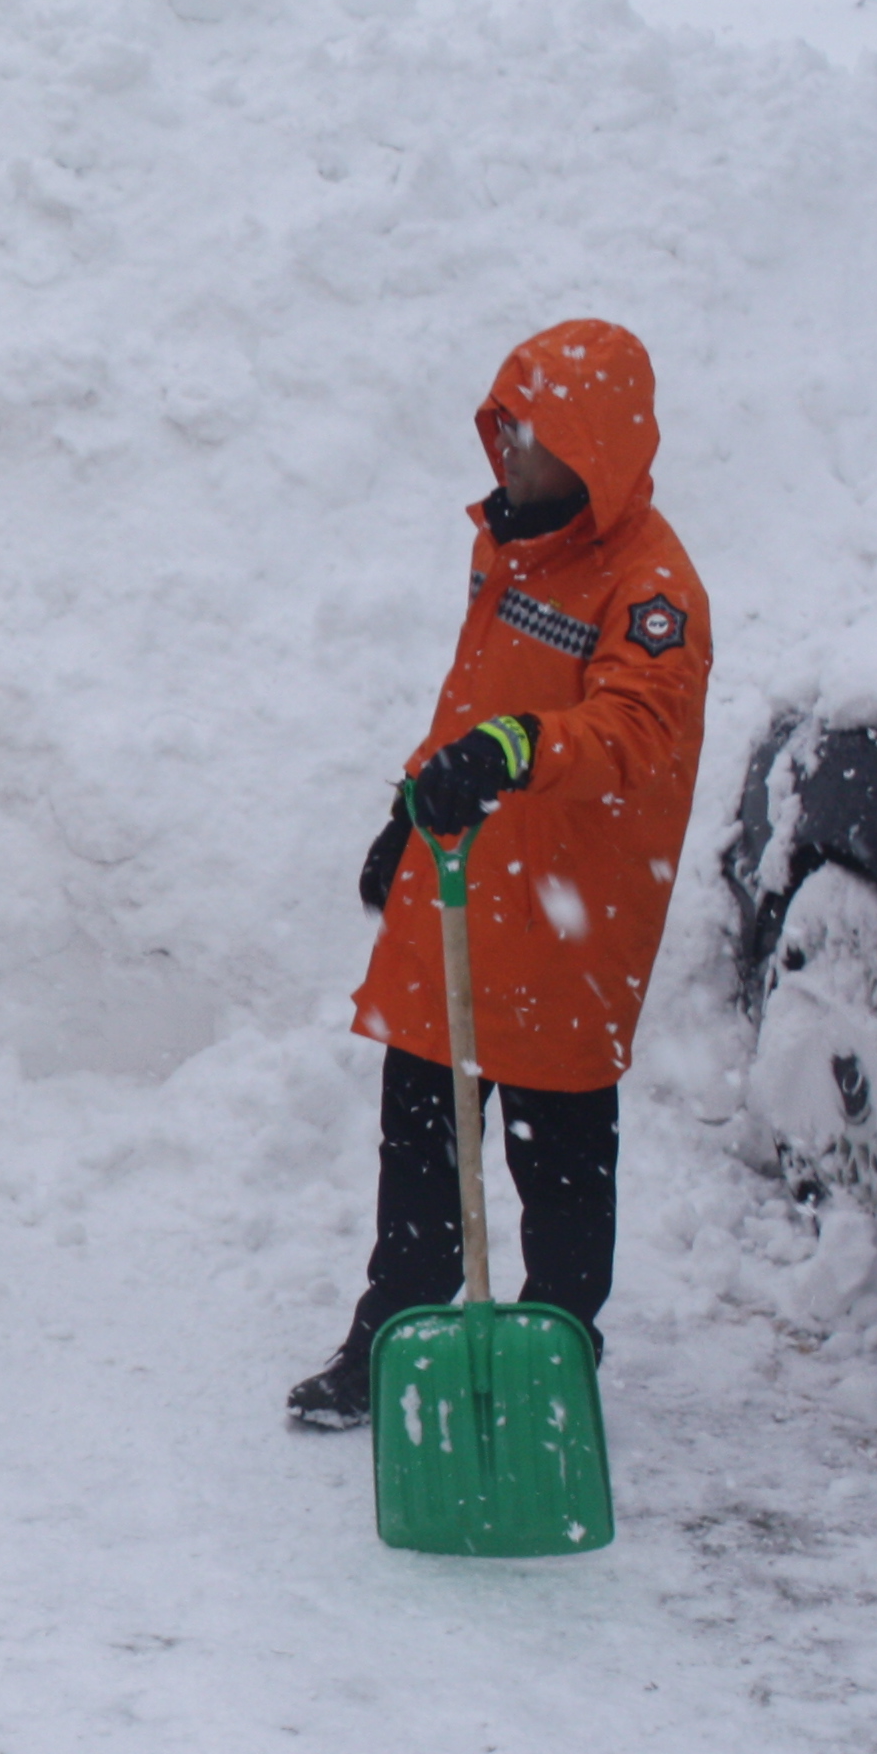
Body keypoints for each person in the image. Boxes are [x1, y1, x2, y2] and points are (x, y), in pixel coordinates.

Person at [290, 321, 710, 1430]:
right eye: (507, 426)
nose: (510, 450)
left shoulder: (652, 590)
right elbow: (476, 703)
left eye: (535, 433)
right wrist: (410, 804)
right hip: (466, 896)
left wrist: (516, 749)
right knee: (419, 1145)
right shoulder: (511, 547)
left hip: (567, 925)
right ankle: (390, 1336)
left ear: (594, 449)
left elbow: (632, 730)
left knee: (559, 1171)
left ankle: (552, 1366)